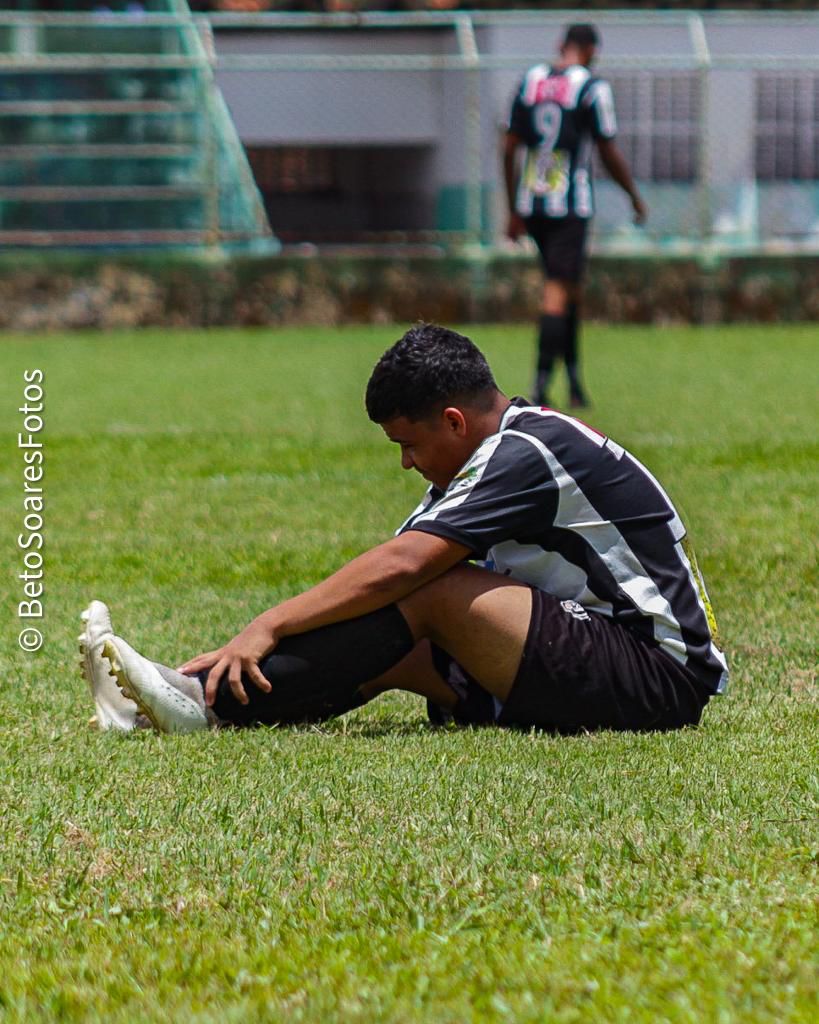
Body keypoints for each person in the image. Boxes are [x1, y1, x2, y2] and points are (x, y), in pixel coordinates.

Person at [80, 324, 727, 737]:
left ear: (452, 421)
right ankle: (190, 702)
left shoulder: (529, 451)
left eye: (408, 444)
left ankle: (195, 703)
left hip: (659, 678)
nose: (404, 463)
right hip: (594, 661)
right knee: (396, 640)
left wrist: (268, 624)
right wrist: (234, 650)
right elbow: (381, 581)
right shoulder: (484, 458)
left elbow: (406, 571)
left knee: (428, 593)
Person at [503, 23, 647, 409]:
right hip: (570, 206)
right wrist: (633, 195)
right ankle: (539, 386)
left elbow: (509, 145)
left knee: (569, 292)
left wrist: (512, 205)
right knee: (557, 291)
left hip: (532, 203)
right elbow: (607, 149)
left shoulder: (529, 80)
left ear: (561, 45)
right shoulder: (591, 87)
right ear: (590, 50)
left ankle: (575, 384)